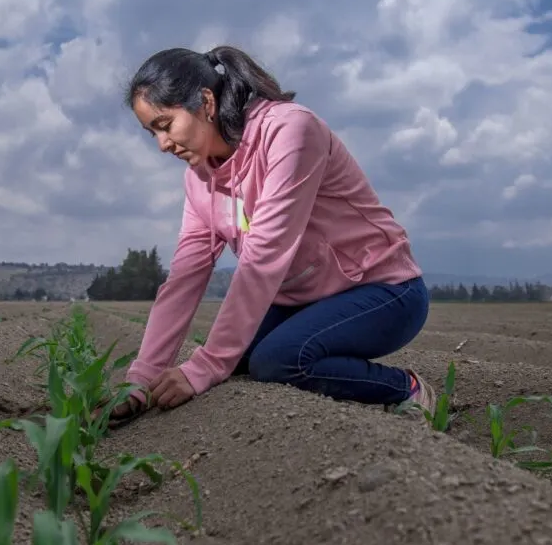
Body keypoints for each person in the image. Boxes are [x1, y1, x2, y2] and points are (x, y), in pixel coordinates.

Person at [106, 45, 436, 426]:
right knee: (236, 357)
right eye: (152, 134)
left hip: (383, 290)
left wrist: (207, 365)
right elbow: (184, 278)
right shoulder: (198, 179)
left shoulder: (290, 131)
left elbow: (263, 257)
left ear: (206, 103)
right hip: (303, 300)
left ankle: (405, 388)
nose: (163, 145)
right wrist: (141, 380)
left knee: (277, 360)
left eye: (165, 125)